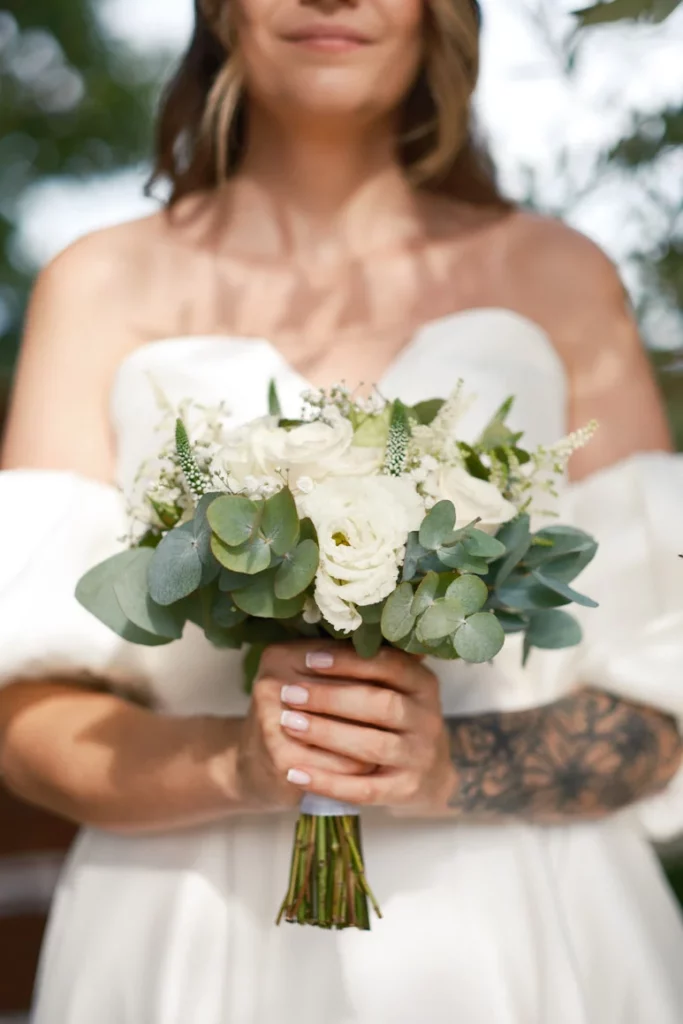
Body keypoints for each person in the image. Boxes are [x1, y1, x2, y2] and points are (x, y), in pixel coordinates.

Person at [1, 0, 682, 1019]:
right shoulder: (96, 284)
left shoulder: (561, 279)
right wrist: (235, 764)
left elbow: (659, 710)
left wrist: (446, 764)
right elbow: (24, 716)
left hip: (519, 930)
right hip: (192, 931)